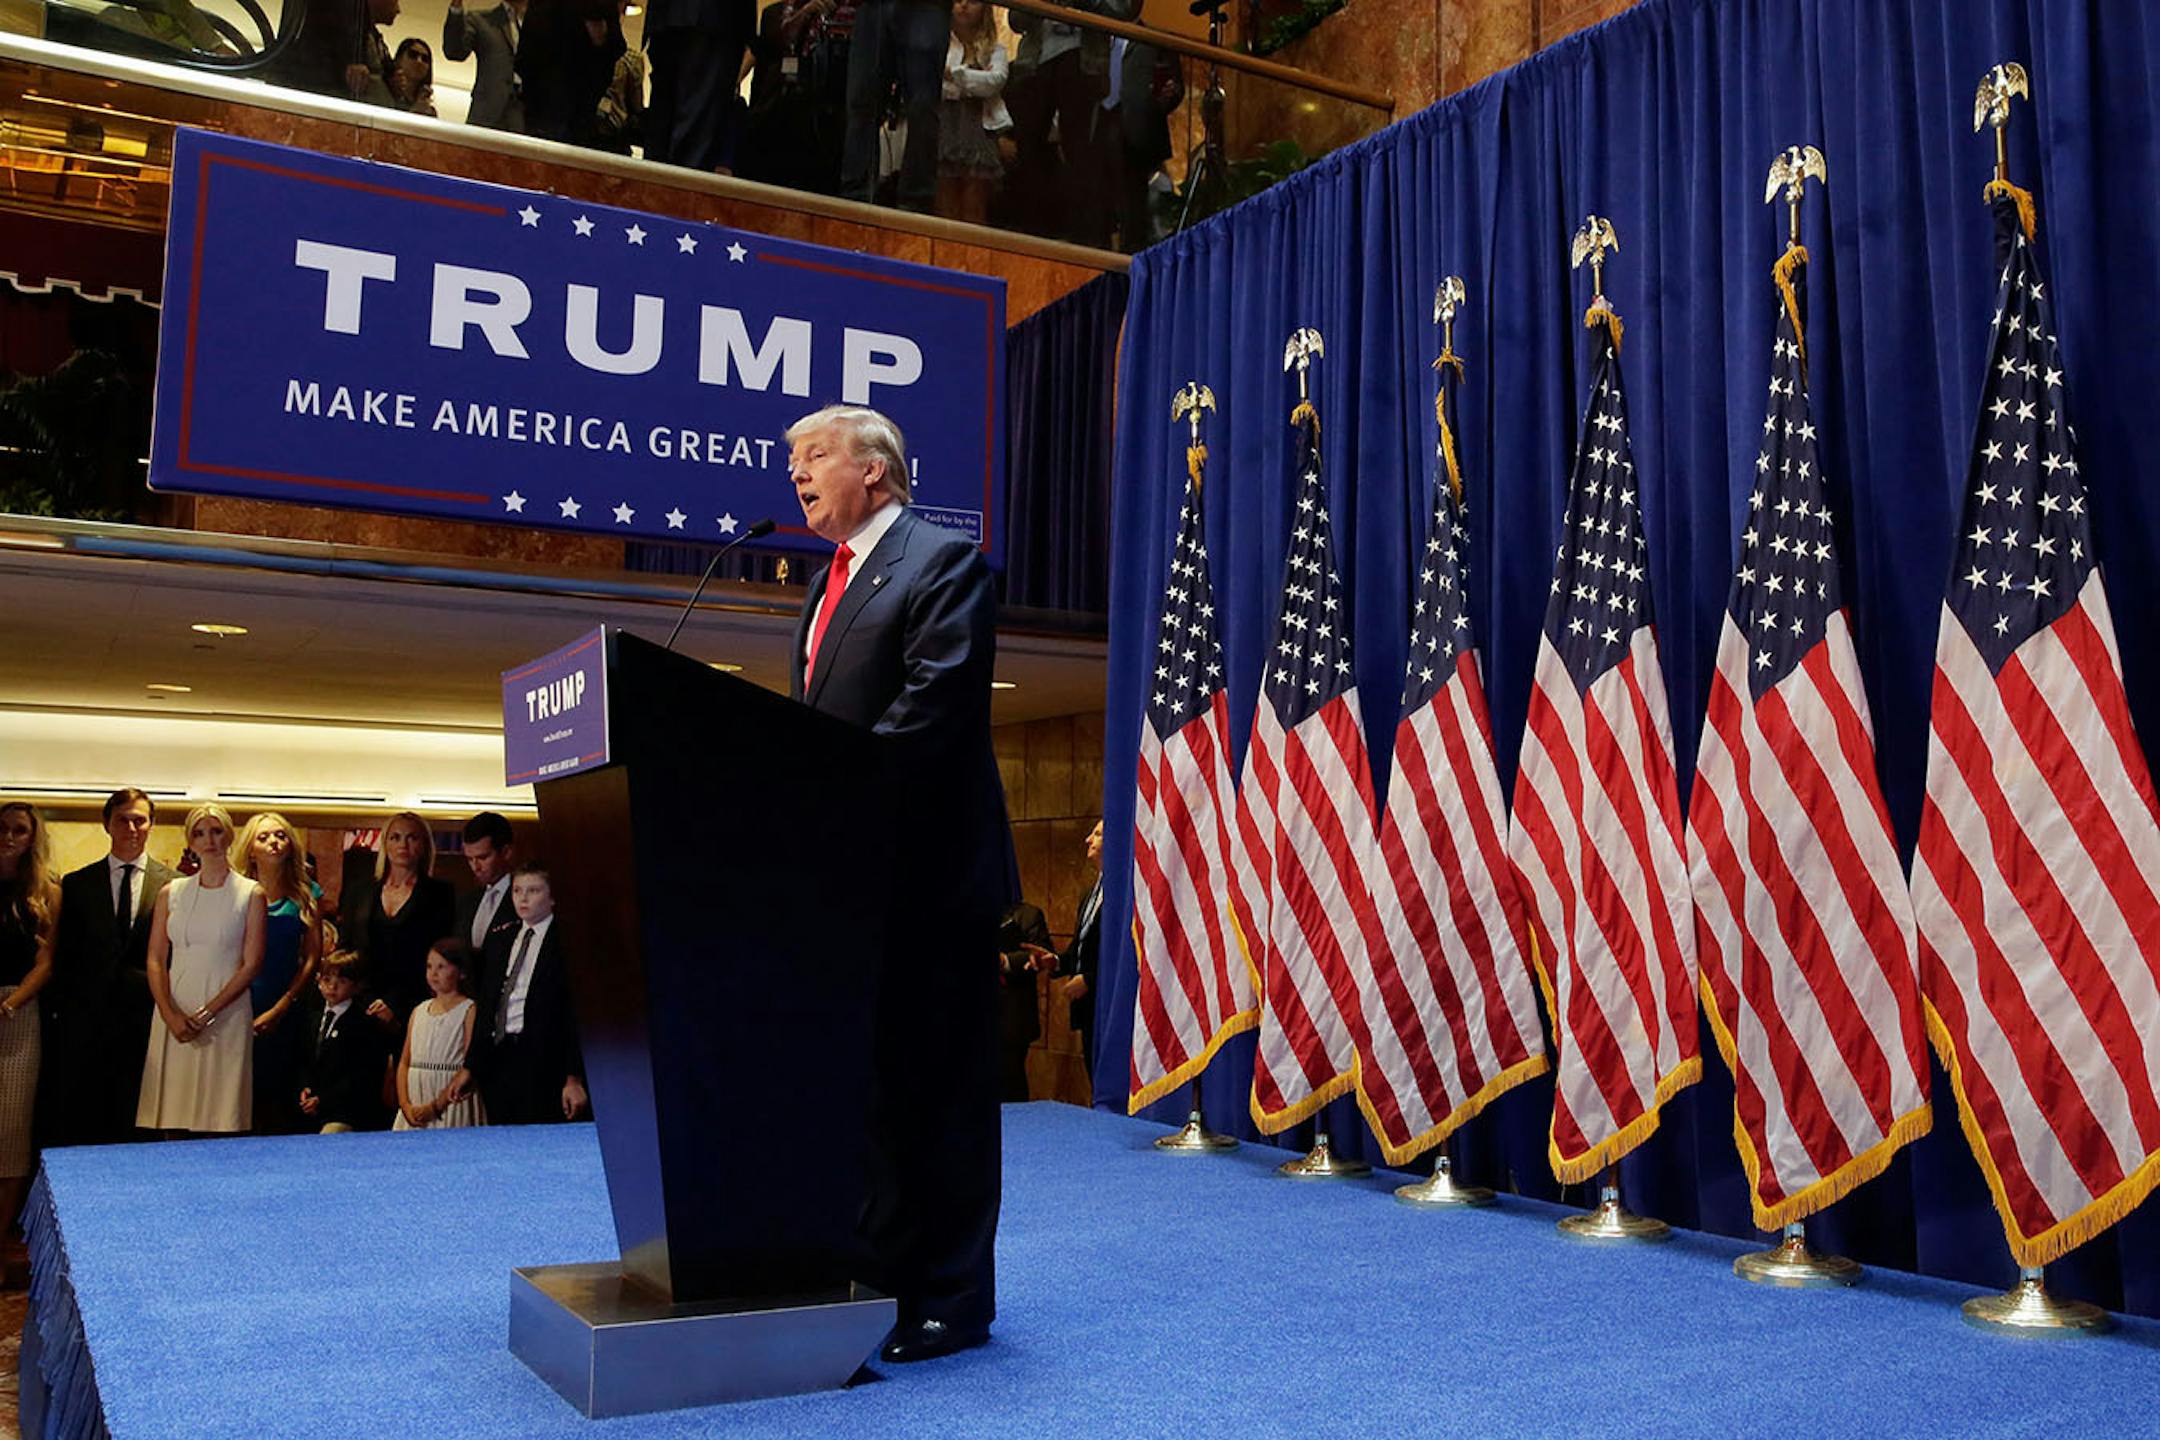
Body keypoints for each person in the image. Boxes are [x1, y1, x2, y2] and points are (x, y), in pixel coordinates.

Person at [786, 402, 1015, 1363]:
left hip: (930, 881)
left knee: (940, 1095)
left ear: (874, 471)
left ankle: (951, 1299)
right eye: (791, 460)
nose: (796, 473)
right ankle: (880, 1272)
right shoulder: (825, 583)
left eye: (814, 455)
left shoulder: (939, 560)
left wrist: (836, 797)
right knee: (873, 1092)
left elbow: (933, 706)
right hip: (858, 881)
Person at [45, 788, 175, 1147]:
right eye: (123, 819)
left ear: (151, 825)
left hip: (148, 1022)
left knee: (140, 1128)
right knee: (86, 1124)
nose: (132, 827)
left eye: (140, 820)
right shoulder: (76, 884)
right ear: (107, 824)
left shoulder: (175, 884)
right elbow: (65, 957)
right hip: (87, 1025)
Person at [138, 804, 266, 1136]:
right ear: (190, 842)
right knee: (173, 1119)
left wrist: (207, 1013)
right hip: (174, 1009)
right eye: (199, 833)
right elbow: (155, 958)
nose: (208, 840)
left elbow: (251, 964)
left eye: (216, 830)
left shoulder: (251, 893)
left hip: (226, 1013)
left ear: (229, 835)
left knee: (220, 1118)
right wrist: (170, 1014)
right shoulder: (172, 893)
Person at [1005, 0, 1134, 244]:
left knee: (1083, 154)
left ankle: (1086, 242)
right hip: (1034, 63)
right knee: (1028, 150)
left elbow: (1123, 10)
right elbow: (1015, 19)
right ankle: (1031, 236)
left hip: (1084, 63)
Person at [469, 864, 586, 1125]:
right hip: (500, 1055)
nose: (523, 898)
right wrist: (471, 1066)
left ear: (552, 897)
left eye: (533, 891)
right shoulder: (502, 938)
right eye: (517, 890)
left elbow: (575, 1015)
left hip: (544, 1059)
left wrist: (573, 1076)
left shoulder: (567, 942)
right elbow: (488, 1003)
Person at [235, 812, 325, 1136]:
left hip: (288, 1004)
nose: (273, 842)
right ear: (250, 849)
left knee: (281, 1102)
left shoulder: (306, 892)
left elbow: (313, 956)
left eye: (280, 835)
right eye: (264, 837)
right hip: (239, 1003)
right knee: (241, 1099)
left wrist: (284, 1004)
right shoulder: (237, 892)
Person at [0, 803, 58, 1225]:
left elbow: (47, 962)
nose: (9, 837)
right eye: (2, 829)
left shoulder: (47, 891)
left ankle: (1, 1246)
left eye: (19, 831)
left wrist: (11, 1003)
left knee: (12, 1137)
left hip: (19, 1015)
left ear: (32, 838)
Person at [840, 0, 951, 213]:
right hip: (874, 7)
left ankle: (915, 204)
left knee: (922, 109)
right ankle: (855, 201)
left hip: (928, 7)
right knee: (862, 104)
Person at [342, 812, 454, 1022]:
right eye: (395, 837)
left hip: (415, 1003)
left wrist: (396, 1004)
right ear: (385, 843)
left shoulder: (440, 894)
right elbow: (347, 949)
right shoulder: (360, 892)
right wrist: (365, 998)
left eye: (412, 837)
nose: (403, 844)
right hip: (361, 1003)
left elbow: (438, 954)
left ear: (424, 845)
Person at [741, 0, 853, 193]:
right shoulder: (773, 14)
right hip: (773, 119)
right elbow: (773, 45)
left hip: (823, 127)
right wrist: (805, 13)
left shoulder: (842, 20)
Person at [642, 0, 756, 173]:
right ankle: (680, 196)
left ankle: (652, 194)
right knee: (696, 138)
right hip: (713, 18)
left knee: (661, 128)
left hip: (667, 16)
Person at [393, 940, 485, 1129]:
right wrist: (405, 1105)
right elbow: (404, 1062)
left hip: (449, 1103)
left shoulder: (468, 1010)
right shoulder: (419, 1010)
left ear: (461, 972)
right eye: (429, 966)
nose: (433, 973)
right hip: (416, 1099)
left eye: (441, 967)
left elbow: (470, 1064)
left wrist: (436, 1107)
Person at [298, 951, 393, 1132]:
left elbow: (360, 1075)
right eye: (327, 980)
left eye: (341, 982)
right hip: (311, 1107)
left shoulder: (363, 1023)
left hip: (345, 1110)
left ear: (356, 986)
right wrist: (305, 1088)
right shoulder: (312, 1016)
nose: (332, 987)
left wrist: (323, 1100)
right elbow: (303, 1059)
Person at [936, 0, 1010, 225]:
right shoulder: (939, 44)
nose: (964, 5)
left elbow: (994, 81)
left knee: (975, 203)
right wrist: (973, 79)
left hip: (979, 127)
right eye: (957, 0)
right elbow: (936, 84)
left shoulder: (995, 49)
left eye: (973, 1)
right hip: (944, 122)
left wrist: (954, 74)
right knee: (943, 200)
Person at [1044, 820, 1105, 1074]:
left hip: (1108, 1007)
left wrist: (1090, 980)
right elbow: (1081, 950)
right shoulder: (1089, 894)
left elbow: (1125, 954)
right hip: (1087, 1010)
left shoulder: (1125, 893)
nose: (1088, 840)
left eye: (1098, 834)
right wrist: (1056, 961)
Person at [442, 0, 528, 131]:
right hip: (488, 114)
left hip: (529, 119)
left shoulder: (544, 27)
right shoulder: (481, 20)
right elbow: (455, 51)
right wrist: (456, 8)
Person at [993, 899, 1047, 1103]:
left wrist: (1004, 961)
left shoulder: (1028, 914)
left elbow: (1042, 955)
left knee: (1010, 1086)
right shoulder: (967, 908)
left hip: (1011, 1018)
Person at [455, 812, 521, 956]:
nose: (475, 867)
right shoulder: (466, 901)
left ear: (506, 852)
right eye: (470, 859)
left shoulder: (524, 897)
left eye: (483, 858)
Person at [388, 35, 438, 115]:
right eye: (413, 55)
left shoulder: (428, 110)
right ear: (398, 60)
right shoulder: (383, 91)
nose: (419, 61)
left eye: (425, 59)